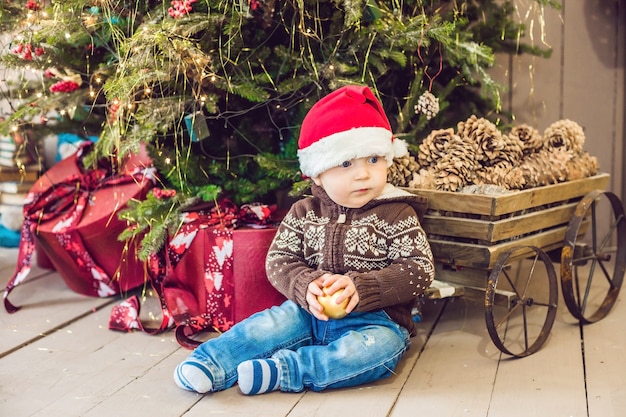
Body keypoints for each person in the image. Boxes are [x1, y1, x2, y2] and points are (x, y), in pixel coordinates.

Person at [173, 84, 435, 395]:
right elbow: (279, 260)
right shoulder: (304, 211)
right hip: (308, 311)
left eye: (374, 160)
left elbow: (419, 268)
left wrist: (363, 288)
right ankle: (213, 361)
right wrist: (305, 285)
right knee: (269, 325)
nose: (363, 174)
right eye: (347, 163)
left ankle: (285, 370)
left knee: (379, 351)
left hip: (377, 320)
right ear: (318, 173)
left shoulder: (396, 213)